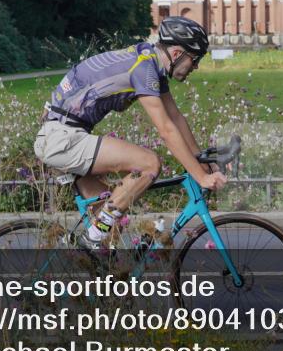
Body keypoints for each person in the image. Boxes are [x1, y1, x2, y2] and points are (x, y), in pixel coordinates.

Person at [33, 16, 228, 251]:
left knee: (114, 222)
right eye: (195, 60)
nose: (195, 67)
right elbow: (166, 130)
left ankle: (97, 273)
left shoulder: (149, 61)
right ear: (177, 54)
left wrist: (200, 161)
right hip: (63, 138)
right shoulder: (144, 69)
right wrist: (201, 177)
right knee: (149, 164)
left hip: (66, 134)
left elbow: (175, 118)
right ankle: (92, 239)